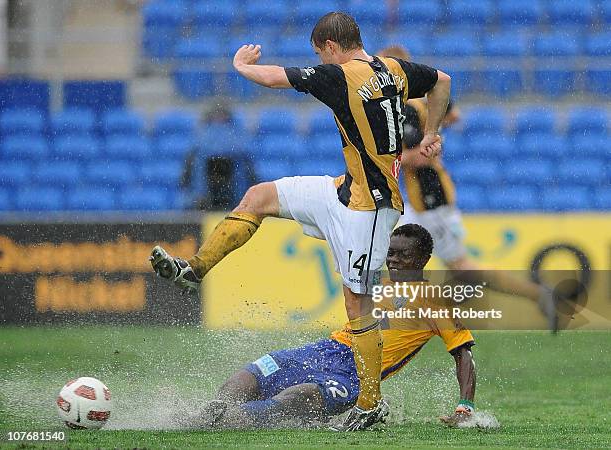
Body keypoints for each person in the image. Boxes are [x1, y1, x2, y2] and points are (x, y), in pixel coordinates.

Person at [150, 12, 451, 430]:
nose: (319, 59)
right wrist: (433, 132)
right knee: (259, 197)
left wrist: (241, 66)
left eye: (318, 53)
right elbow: (443, 81)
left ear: (329, 46)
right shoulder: (394, 69)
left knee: (356, 302)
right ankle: (194, 269)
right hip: (343, 190)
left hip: (371, 208)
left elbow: (275, 78)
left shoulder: (340, 75)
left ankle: (369, 402)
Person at [184, 224, 476, 430]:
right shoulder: (374, 281)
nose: (393, 260)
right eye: (391, 252)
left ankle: (230, 421)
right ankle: (211, 411)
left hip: (358, 372)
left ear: (423, 260)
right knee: (259, 369)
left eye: (403, 255)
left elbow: (464, 355)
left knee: (303, 396)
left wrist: (465, 407)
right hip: (327, 349)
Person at [378, 45, 560, 331]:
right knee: (386, 248)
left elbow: (419, 157)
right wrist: (436, 128)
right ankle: (394, 315)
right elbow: (454, 115)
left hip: (432, 200)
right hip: (421, 201)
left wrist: (394, 153)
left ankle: (538, 295)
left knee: (462, 269)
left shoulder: (409, 109)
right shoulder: (418, 102)